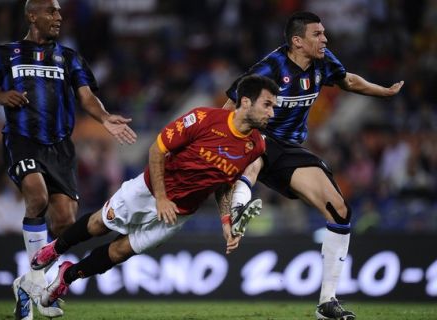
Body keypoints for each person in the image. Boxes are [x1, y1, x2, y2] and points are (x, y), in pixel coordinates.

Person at [28, 74, 277, 308]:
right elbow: (157, 150)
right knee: (99, 224)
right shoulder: (203, 119)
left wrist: (225, 220)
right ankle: (56, 249)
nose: (271, 112)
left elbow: (224, 183)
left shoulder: (254, 146)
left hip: (179, 213)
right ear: (245, 101)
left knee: (120, 251)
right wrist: (161, 198)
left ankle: (67, 276)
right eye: (267, 104)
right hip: (147, 191)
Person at [223, 12, 404, 320]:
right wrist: (220, 144)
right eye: (318, 34)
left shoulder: (323, 61)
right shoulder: (269, 68)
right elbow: (229, 107)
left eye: (324, 33)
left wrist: (383, 91)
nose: (325, 39)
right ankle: (238, 207)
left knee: (339, 210)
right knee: (257, 152)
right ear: (297, 41)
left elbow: (347, 81)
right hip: (256, 137)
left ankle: (327, 302)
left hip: (290, 150)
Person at [0, 0, 137, 319]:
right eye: (52, 11)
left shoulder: (69, 57)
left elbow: (86, 96)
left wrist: (104, 118)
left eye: (60, 12)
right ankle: (37, 283)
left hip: (60, 147)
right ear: (32, 15)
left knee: (63, 222)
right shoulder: (6, 54)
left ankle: (26, 285)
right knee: (37, 197)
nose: (58, 17)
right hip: (22, 141)